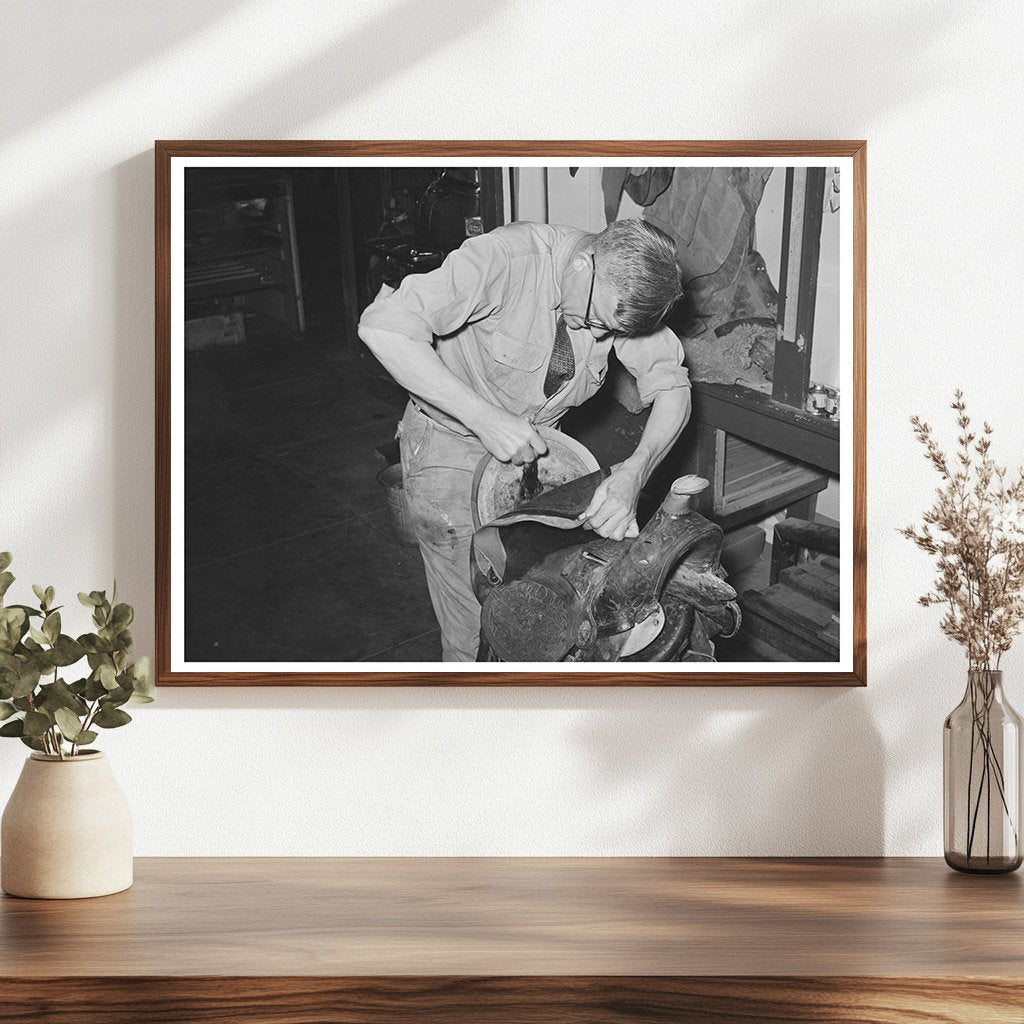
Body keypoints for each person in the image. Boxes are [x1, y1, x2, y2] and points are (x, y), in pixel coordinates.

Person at [358, 218, 691, 661]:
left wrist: (636, 469)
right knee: (473, 625)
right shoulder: (506, 259)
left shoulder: (613, 291)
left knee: (535, 606)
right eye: (595, 320)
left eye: (611, 331)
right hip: (451, 444)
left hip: (538, 453)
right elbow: (383, 328)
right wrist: (484, 418)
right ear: (582, 263)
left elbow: (672, 388)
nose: (596, 336)